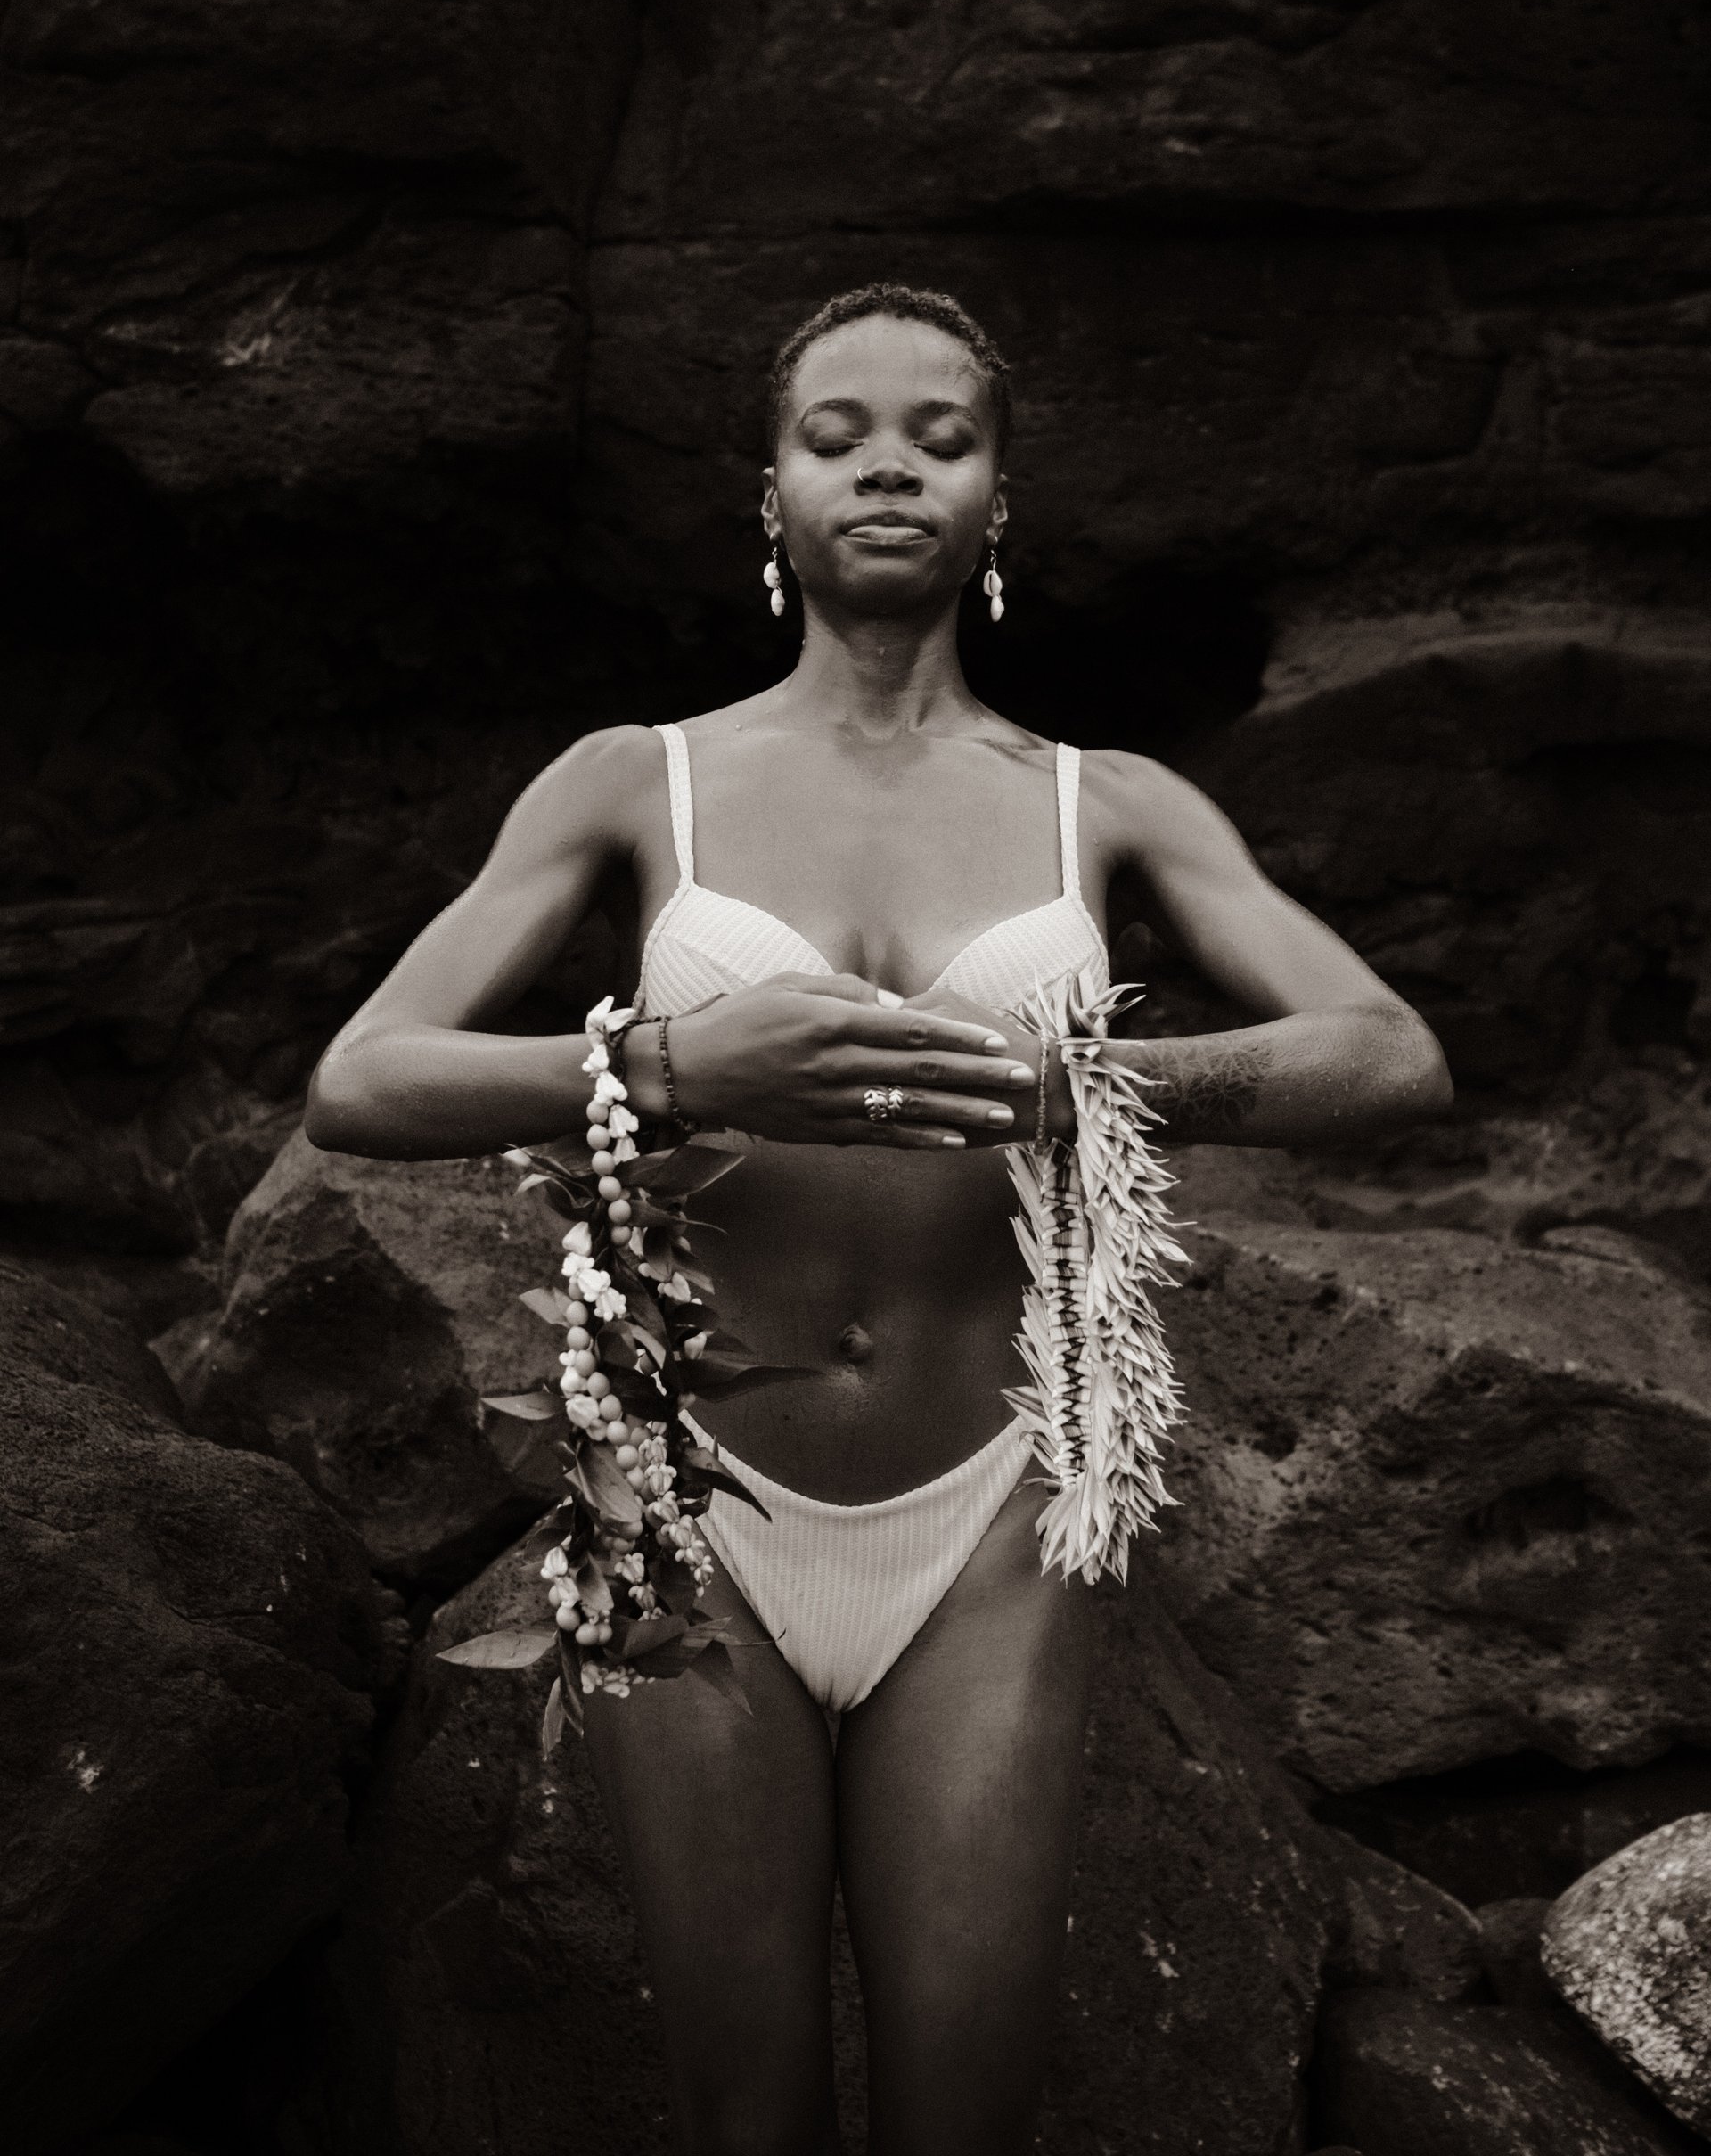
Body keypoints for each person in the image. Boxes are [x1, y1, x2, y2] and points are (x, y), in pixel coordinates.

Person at [307, 283, 1452, 2156]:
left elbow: (1390, 1055)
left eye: (943, 436)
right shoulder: (637, 780)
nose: (891, 468)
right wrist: (674, 1063)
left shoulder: (1106, 803)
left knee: (964, 2113)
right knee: (740, 2112)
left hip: (991, 1509)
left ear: (1000, 499)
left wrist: (1087, 1081)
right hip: (686, 1505)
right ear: (770, 493)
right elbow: (363, 1079)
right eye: (836, 437)